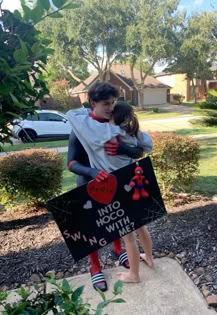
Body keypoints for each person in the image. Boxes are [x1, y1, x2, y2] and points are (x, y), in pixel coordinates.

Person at [67, 82, 146, 291]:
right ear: (93, 103)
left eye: (113, 103)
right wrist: (91, 172)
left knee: (115, 218)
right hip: (89, 183)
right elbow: (71, 163)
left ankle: (119, 250)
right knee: (91, 227)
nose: (111, 108)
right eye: (105, 104)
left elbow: (139, 152)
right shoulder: (80, 129)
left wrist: (124, 148)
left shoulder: (116, 123)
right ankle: (95, 267)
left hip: (116, 182)